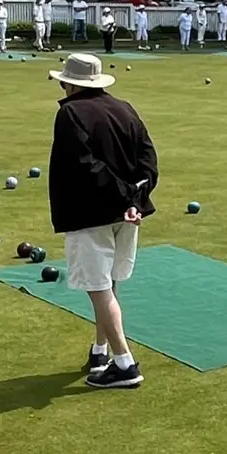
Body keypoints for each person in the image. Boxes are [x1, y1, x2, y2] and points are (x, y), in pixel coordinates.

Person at [46, 53, 159, 391]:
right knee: (107, 284)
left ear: (69, 82)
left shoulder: (70, 113)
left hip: (90, 213)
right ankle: (101, 351)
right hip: (125, 213)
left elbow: (85, 166)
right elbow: (148, 160)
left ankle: (124, 364)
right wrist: (134, 199)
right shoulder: (125, 108)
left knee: (98, 288)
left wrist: (126, 197)